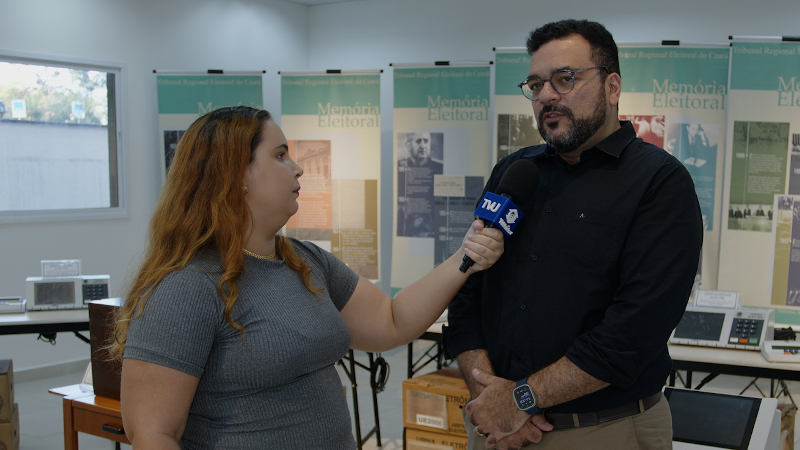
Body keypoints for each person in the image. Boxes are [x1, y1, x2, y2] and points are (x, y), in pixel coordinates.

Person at [109, 106, 505, 450]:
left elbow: (392, 321)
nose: (298, 167)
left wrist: (464, 255)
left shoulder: (304, 260)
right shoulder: (187, 285)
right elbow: (152, 433)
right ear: (237, 174)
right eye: (280, 155)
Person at [443, 19, 703, 450]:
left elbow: (632, 335)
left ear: (612, 86)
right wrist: (491, 399)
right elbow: (467, 290)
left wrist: (521, 398)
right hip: (496, 428)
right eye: (535, 84)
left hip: (603, 430)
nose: (546, 95)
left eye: (565, 79)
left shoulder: (659, 183)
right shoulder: (514, 172)